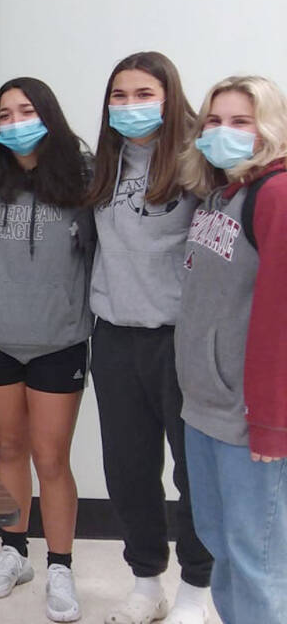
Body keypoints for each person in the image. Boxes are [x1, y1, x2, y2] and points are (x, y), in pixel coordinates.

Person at [85, 51, 213, 624]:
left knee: (193, 473)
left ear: (169, 99)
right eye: (120, 96)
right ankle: (145, 582)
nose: (130, 106)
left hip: (178, 340)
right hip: (114, 336)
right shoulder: (102, 168)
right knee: (128, 468)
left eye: (144, 95)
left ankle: (196, 589)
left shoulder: (197, 166)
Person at [0, 78, 94, 622]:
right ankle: (12, 552)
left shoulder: (84, 174)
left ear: (49, 115)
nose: (16, 121)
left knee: (51, 457)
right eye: (5, 113)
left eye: (27, 110)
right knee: (9, 449)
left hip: (59, 338)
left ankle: (59, 564)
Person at [175, 75, 287, 624]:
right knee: (221, 548)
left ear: (269, 128)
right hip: (205, 408)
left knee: (257, 563)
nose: (225, 132)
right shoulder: (222, 195)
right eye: (215, 121)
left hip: (249, 423)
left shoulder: (277, 195)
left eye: (241, 121)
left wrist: (270, 422)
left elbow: (279, 319)